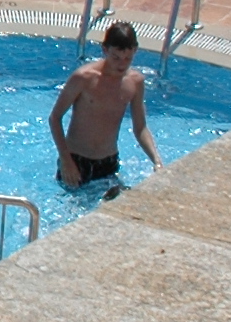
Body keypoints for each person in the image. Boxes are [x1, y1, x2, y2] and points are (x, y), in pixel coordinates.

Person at [50, 20, 160, 194]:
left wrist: (156, 160)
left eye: (128, 58)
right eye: (116, 57)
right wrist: (66, 160)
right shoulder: (84, 78)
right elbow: (55, 118)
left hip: (108, 162)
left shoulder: (135, 82)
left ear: (135, 51)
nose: (122, 64)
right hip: (76, 161)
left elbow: (140, 127)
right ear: (105, 50)